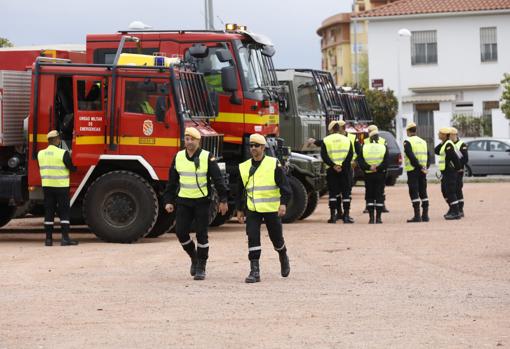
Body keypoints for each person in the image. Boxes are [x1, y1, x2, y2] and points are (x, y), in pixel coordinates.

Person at [163, 127, 228, 280]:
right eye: (187, 138)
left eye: (192, 139)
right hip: (184, 201)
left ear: (198, 141)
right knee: (180, 232)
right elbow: (172, 182)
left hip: (202, 202)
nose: (189, 141)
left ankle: (201, 267)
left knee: (202, 235)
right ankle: (194, 256)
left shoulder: (207, 157)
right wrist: (168, 200)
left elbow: (218, 180)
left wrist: (223, 200)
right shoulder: (178, 157)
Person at [236, 133, 292, 283]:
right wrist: (240, 209)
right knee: (252, 237)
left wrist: (283, 203)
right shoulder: (244, 167)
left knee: (276, 238)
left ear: (263, 147)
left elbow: (285, 187)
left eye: (256, 146)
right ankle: (255, 270)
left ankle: (282, 254)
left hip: (270, 208)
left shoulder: (273, 164)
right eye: (251, 146)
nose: (253, 148)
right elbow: (241, 190)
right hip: (252, 208)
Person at [37, 130, 78, 246]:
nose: (60, 140)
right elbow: (72, 168)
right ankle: (65, 239)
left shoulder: (40, 154)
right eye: (59, 138)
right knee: (64, 212)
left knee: (49, 212)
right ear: (56, 140)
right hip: (61, 186)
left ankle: (48, 240)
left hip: (47, 187)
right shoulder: (62, 153)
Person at [321, 120, 354, 223]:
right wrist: (342, 165)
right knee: (346, 193)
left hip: (331, 170)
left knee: (333, 194)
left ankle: (333, 216)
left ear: (331, 130)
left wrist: (333, 165)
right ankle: (346, 216)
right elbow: (350, 155)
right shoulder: (346, 140)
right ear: (338, 129)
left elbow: (324, 156)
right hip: (345, 170)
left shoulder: (326, 140)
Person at [358, 129, 388, 224]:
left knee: (369, 195)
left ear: (370, 138)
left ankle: (371, 218)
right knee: (379, 194)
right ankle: (378, 218)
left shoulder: (364, 147)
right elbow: (386, 162)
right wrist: (378, 168)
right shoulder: (383, 147)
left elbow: (360, 161)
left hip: (368, 175)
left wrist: (369, 167)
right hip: (380, 174)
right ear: (378, 138)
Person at [403, 122, 430, 222]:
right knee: (423, 191)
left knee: (414, 192)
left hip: (413, 170)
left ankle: (417, 216)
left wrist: (418, 166)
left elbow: (411, 156)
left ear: (408, 131)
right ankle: (425, 215)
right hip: (423, 170)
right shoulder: (423, 141)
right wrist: (425, 167)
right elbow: (428, 156)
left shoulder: (407, 141)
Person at [434, 127, 462, 220]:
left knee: (450, 191)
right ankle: (452, 209)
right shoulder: (445, 144)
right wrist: (443, 141)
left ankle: (456, 212)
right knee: (445, 191)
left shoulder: (448, 145)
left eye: (440, 133)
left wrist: (458, 169)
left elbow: (455, 158)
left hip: (450, 172)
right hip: (445, 172)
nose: (438, 134)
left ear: (444, 135)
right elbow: (436, 150)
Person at [363, 125, 389, 213]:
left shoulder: (366, 141)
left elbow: (362, 154)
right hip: (380, 169)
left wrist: (368, 167)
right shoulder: (383, 141)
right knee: (380, 189)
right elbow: (386, 155)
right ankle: (381, 206)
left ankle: (369, 206)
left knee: (370, 189)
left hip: (369, 169)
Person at [450, 127, 468, 218]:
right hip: (450, 171)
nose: (450, 137)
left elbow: (465, 158)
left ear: (455, 135)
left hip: (458, 171)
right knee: (450, 190)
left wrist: (458, 167)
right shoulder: (448, 144)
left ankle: (460, 209)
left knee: (458, 189)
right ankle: (453, 208)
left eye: (451, 135)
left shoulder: (461, 144)